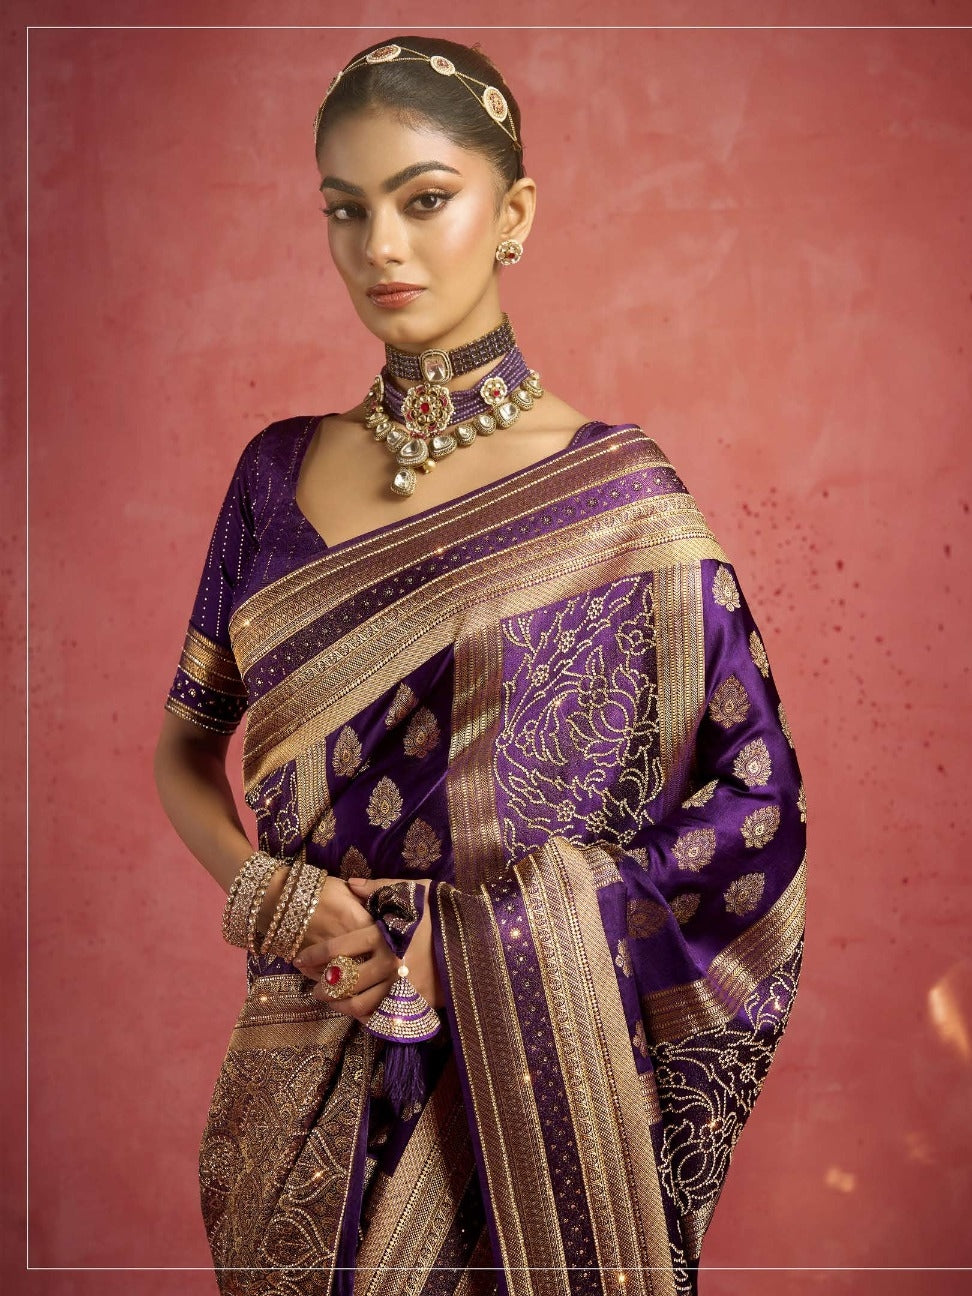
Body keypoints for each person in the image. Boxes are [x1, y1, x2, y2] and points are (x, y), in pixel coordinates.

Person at [154, 33, 807, 1296]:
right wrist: (277, 900)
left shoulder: (623, 501)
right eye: (346, 211)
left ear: (512, 215)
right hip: (305, 1069)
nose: (381, 248)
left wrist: (473, 947)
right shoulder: (274, 474)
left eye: (425, 200)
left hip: (526, 1089)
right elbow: (186, 748)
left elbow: (753, 816)